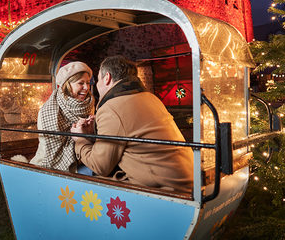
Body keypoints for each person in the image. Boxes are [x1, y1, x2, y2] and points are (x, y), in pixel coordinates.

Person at [71, 55, 193, 193]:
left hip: (164, 188)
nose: (95, 86)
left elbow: (100, 166)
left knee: (79, 175)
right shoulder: (151, 98)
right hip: (187, 178)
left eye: (98, 80)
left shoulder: (111, 107)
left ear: (107, 78)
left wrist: (80, 140)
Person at [29, 61, 94, 173]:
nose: (86, 87)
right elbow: (50, 148)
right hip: (50, 163)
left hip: (85, 157)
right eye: (81, 83)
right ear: (67, 85)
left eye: (88, 83)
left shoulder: (89, 105)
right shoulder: (49, 111)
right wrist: (81, 133)